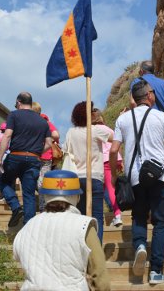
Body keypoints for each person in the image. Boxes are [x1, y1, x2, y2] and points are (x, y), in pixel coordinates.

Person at [110, 80, 164, 285]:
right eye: (153, 92)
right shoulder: (161, 116)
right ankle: (156, 270)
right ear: (148, 96)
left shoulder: (123, 120)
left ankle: (140, 245)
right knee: (160, 222)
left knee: (139, 216)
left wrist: (114, 174)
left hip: (135, 178)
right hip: (159, 176)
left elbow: (113, 150)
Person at [13, 170, 110, 290]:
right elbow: (100, 277)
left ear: (45, 195)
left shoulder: (28, 226)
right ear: (77, 197)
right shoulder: (84, 226)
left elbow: (17, 254)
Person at [0, 92, 52, 227]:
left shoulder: (14, 115)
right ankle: (29, 229)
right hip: (33, 160)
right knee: (29, 194)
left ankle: (15, 207)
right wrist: (37, 153)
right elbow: (49, 144)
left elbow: (7, 135)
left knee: (3, 181)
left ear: (19, 102)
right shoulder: (43, 122)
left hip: (15, 156)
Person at [130, 60, 164, 208]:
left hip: (148, 127)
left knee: (147, 163)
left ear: (142, 71)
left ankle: (151, 201)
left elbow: (133, 103)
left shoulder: (137, 82)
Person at [64, 101, 112, 242]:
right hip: (94, 177)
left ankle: (81, 249)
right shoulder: (95, 130)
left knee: (80, 217)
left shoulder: (70, 132)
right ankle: (96, 251)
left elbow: (65, 151)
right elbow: (115, 137)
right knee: (97, 217)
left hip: (76, 178)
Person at [91, 108, 124, 227]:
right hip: (115, 158)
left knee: (109, 188)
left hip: (104, 160)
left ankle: (117, 214)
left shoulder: (93, 130)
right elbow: (118, 143)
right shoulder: (108, 129)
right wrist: (121, 160)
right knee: (106, 187)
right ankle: (114, 211)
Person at [31, 102, 60, 212]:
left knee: (40, 182)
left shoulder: (44, 123)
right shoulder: (45, 123)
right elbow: (56, 135)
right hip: (43, 156)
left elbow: (56, 135)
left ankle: (43, 206)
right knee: (40, 182)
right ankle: (44, 205)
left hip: (40, 156)